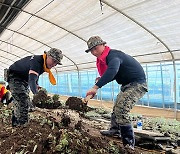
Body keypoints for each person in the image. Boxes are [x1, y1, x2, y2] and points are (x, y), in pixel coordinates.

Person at [85, 36, 148, 150]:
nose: (94, 52)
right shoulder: (104, 58)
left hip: (137, 84)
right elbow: (113, 73)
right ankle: (115, 130)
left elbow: (112, 71)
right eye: (91, 50)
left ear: (103, 45)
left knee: (122, 109)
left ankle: (129, 144)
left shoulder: (114, 55)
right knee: (117, 107)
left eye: (96, 48)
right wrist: (101, 79)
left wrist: (96, 87)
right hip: (127, 85)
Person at [7, 48, 63, 127]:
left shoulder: (44, 63)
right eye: (54, 61)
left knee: (20, 100)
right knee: (23, 100)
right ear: (48, 56)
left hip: (24, 79)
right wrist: (36, 94)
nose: (54, 65)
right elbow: (32, 79)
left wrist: (36, 85)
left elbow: (35, 77)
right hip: (15, 76)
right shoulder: (37, 61)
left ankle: (16, 124)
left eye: (56, 63)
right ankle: (22, 126)